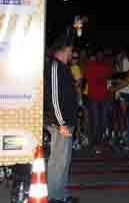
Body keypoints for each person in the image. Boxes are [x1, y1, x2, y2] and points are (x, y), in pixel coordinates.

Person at [44, 35, 79, 203]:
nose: (72, 54)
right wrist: (61, 123)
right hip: (60, 123)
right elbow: (54, 97)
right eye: (71, 51)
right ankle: (53, 197)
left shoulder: (62, 67)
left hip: (66, 122)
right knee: (58, 161)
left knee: (64, 161)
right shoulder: (55, 66)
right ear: (65, 50)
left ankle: (60, 195)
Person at [84, 49, 114, 154]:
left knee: (103, 120)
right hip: (93, 97)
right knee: (96, 121)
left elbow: (110, 79)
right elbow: (86, 78)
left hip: (104, 97)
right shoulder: (90, 65)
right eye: (98, 54)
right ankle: (95, 143)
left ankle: (98, 142)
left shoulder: (106, 65)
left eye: (102, 54)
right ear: (96, 55)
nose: (100, 56)